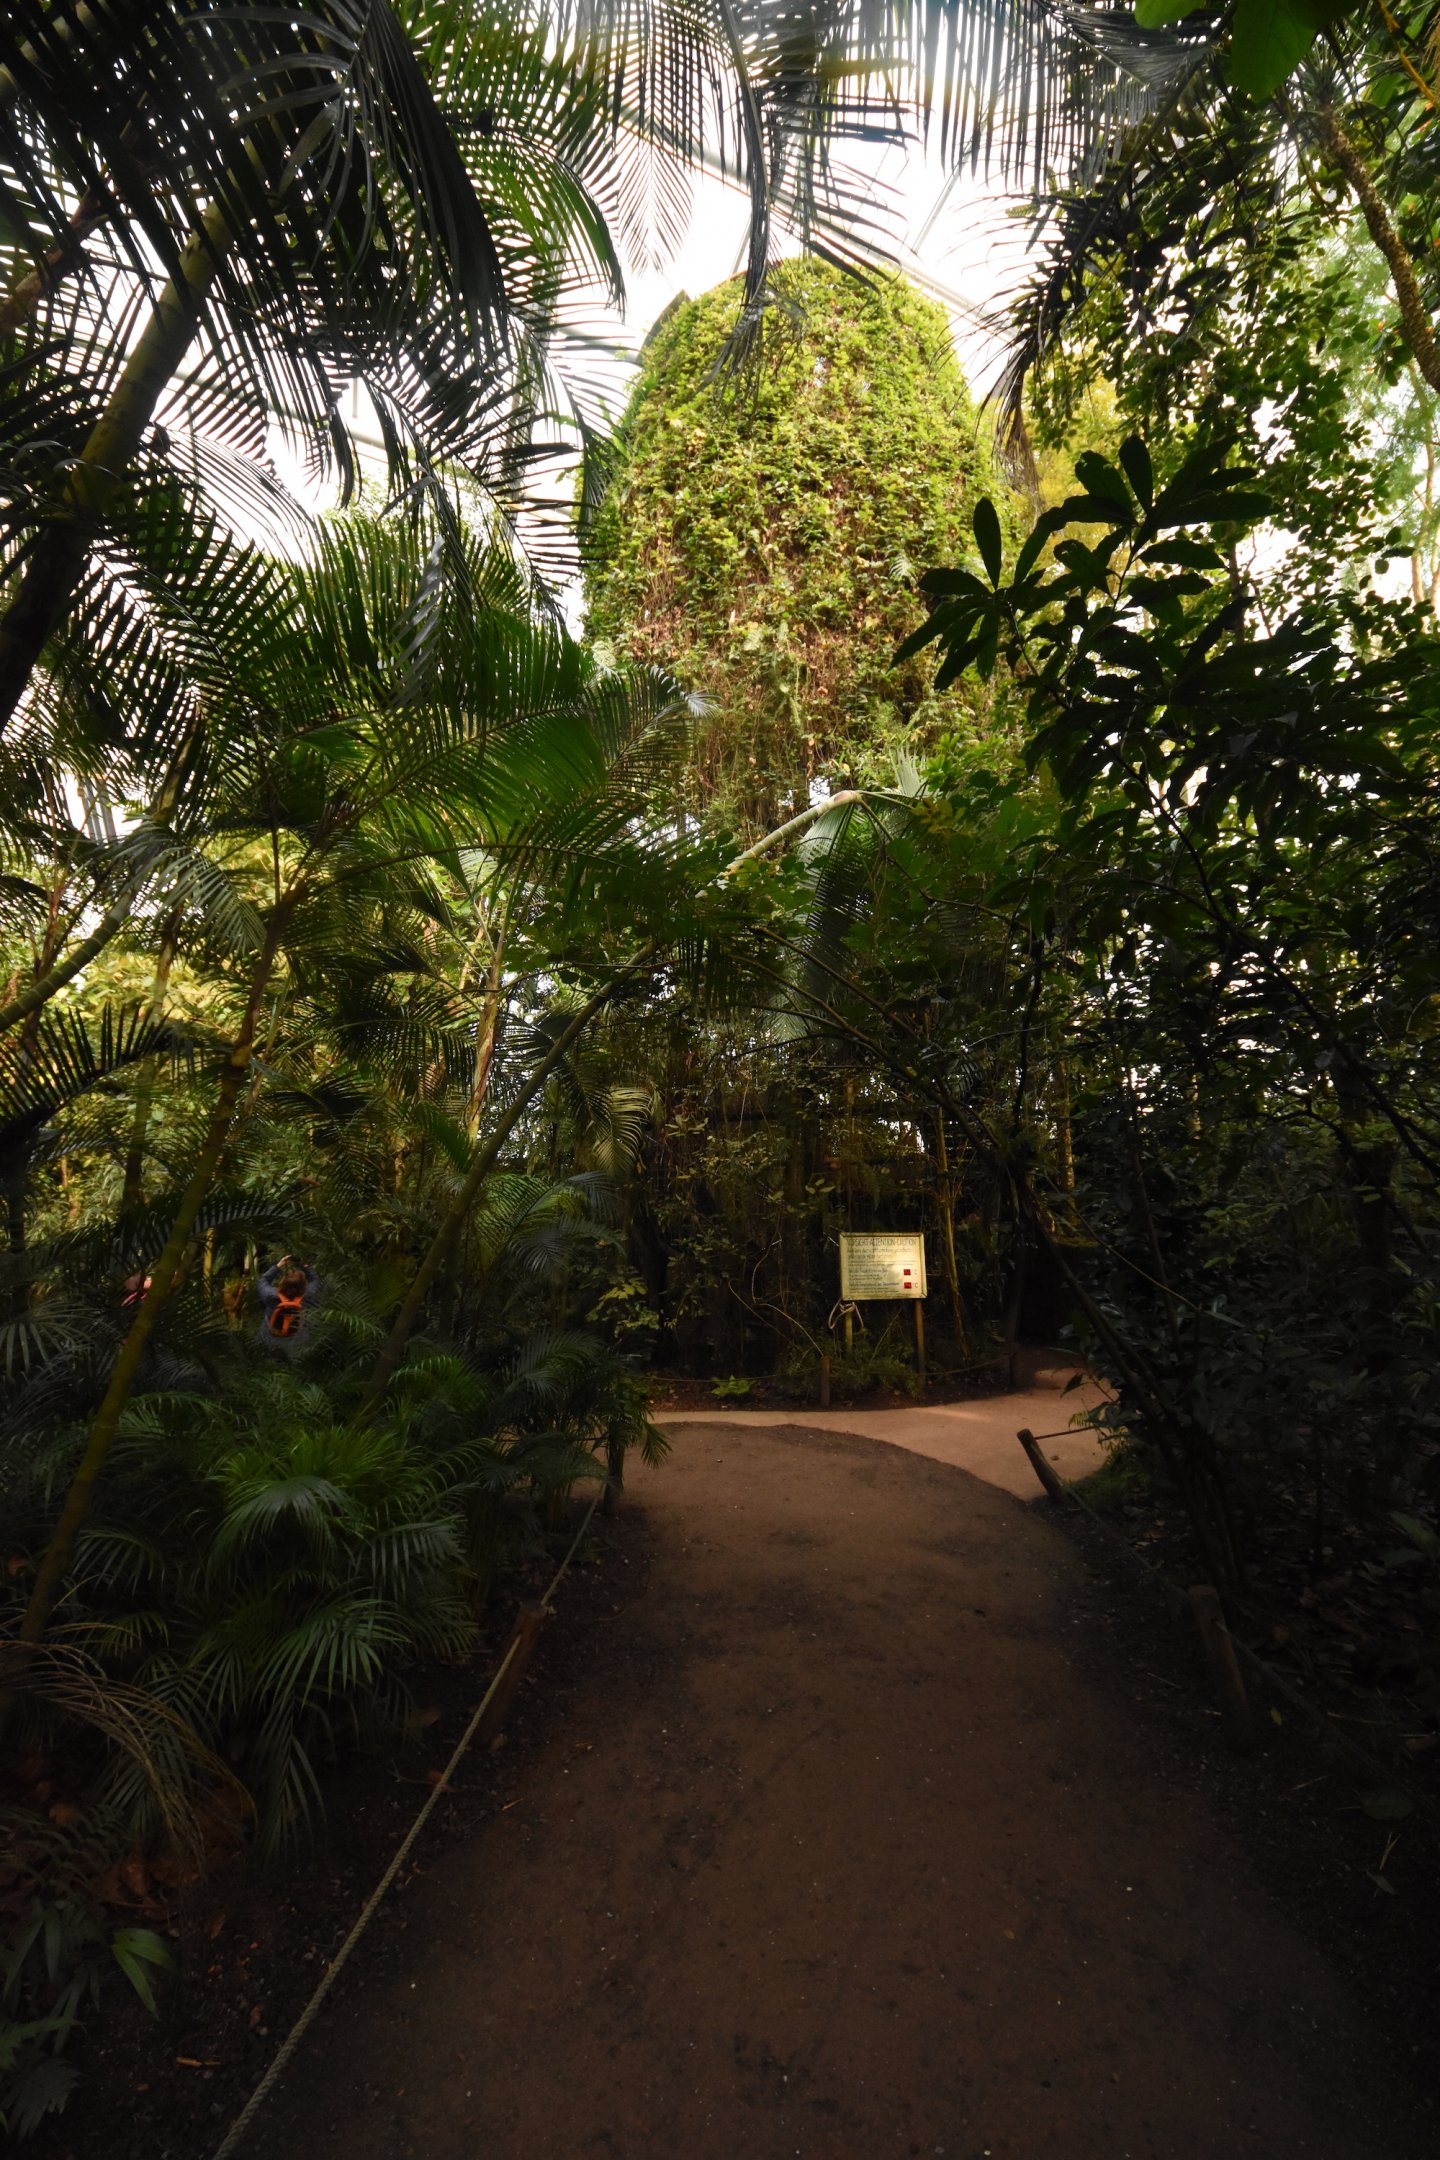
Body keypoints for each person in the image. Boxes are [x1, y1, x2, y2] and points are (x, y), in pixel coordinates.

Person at [257, 1254, 319, 1350]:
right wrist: (304, 1266)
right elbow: (315, 1280)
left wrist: (279, 1266)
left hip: (269, 1342)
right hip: (298, 1344)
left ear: (283, 1282)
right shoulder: (308, 1295)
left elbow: (262, 1280)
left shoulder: (271, 1296)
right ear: (303, 1285)